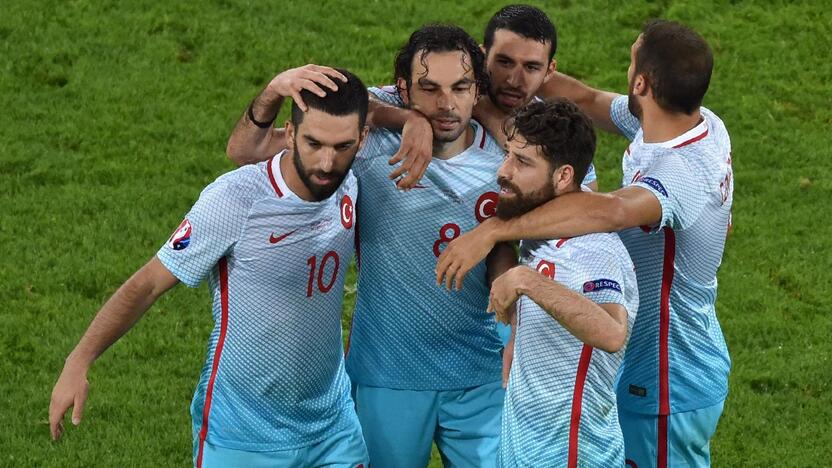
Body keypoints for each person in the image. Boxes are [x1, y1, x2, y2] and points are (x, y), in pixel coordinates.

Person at [437, 19, 733, 468]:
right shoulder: (677, 120)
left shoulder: (682, 168)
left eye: (631, 58)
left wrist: (493, 229)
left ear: (641, 83)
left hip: (669, 371)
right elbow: (586, 101)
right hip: (655, 360)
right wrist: (496, 79)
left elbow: (608, 210)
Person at [226, 24, 516, 468]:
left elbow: (570, 205)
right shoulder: (365, 143)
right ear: (402, 89)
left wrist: (495, 233)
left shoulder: (508, 156)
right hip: (387, 375)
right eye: (428, 89)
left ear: (478, 90)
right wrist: (272, 93)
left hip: (482, 376)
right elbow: (247, 152)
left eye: (460, 87)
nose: (446, 104)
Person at [49, 68, 372, 468]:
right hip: (241, 433)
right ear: (288, 135)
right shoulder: (236, 199)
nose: (327, 162)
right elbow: (149, 282)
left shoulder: (353, 180)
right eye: (313, 143)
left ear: (362, 140)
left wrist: (413, 123)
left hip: (331, 427)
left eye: (342, 146)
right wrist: (79, 360)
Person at [488, 98, 638, 466]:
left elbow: (611, 333)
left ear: (563, 176)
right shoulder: (544, 229)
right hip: (528, 447)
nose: (503, 171)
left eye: (522, 162)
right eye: (508, 155)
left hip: (573, 452)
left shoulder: (591, 250)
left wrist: (526, 281)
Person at [369, 4, 599, 190]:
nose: (513, 80)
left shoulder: (556, 130)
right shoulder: (449, 84)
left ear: (550, 70)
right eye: (504, 62)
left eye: (531, 67)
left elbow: (582, 201)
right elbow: (355, 102)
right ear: (483, 54)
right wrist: (409, 118)